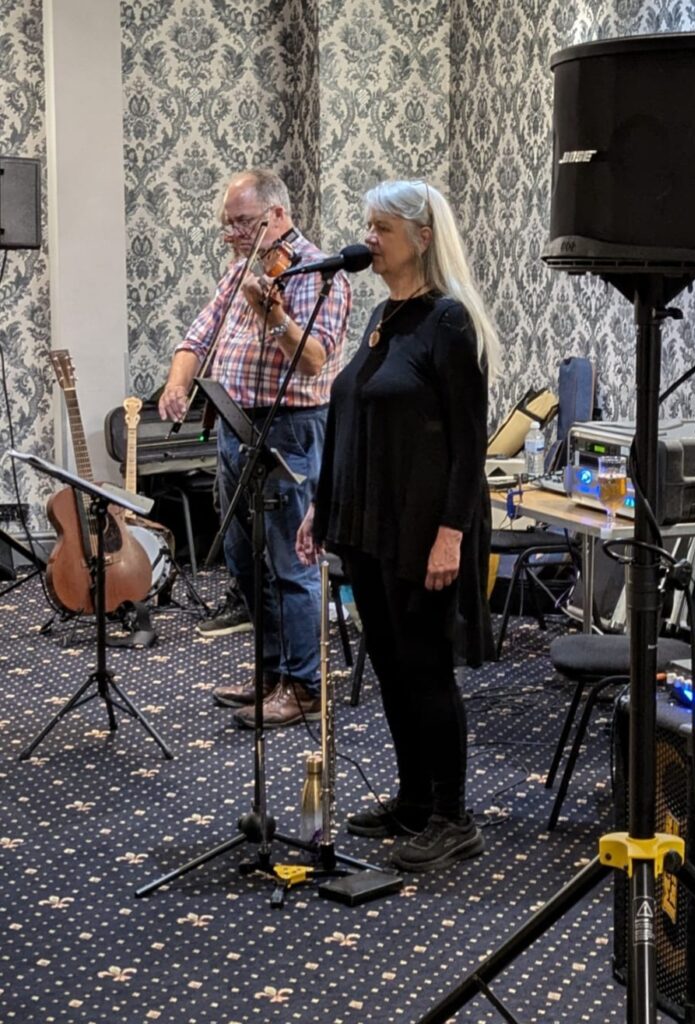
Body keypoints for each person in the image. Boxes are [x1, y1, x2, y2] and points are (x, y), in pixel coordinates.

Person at [296, 179, 498, 871]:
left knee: (425, 668)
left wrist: (452, 533)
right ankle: (414, 799)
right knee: (388, 665)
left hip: (422, 529)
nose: (368, 240)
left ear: (422, 237)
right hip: (368, 526)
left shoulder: (449, 322)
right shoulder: (384, 316)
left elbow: (469, 445)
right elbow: (350, 417)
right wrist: (323, 505)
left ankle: (452, 816)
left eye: (381, 229)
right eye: (369, 226)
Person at [159, 168, 350, 728]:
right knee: (243, 559)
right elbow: (197, 336)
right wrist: (177, 384)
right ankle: (271, 674)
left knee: (291, 561)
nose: (234, 235)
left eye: (243, 223)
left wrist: (273, 315)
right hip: (234, 425)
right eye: (228, 224)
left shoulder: (318, 274)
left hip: (290, 427)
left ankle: (306, 685)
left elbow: (313, 359)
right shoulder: (240, 269)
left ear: (278, 214)